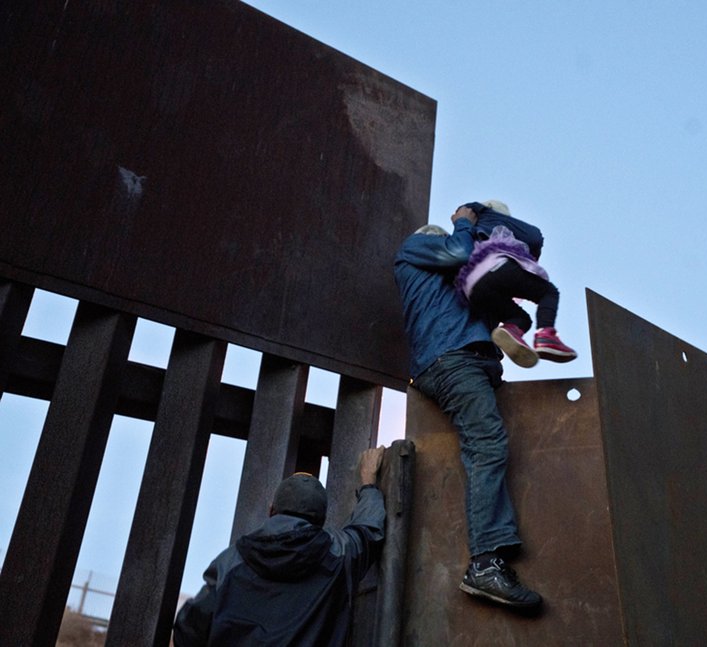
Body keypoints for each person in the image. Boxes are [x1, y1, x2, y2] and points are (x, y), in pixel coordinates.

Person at [393, 206, 542, 610]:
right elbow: (458, 252)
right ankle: (485, 564)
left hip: (464, 358)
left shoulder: (447, 289)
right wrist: (465, 223)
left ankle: (488, 558)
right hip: (451, 359)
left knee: (513, 314)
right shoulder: (414, 247)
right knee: (487, 445)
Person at [172, 447, 386, 646]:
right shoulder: (338, 553)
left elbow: (189, 628)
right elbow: (368, 530)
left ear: (271, 509)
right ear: (321, 520)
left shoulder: (230, 561)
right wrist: (368, 483)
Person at [454, 199, 576, 368]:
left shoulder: (468, 232)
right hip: (497, 267)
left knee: (522, 319)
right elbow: (534, 237)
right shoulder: (494, 219)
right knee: (548, 292)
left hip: (471, 289)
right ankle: (546, 336)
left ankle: (510, 330)